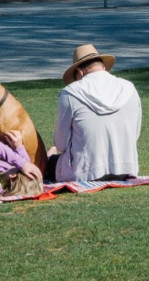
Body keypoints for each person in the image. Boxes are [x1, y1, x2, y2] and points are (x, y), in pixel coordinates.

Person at [47, 44, 142, 182]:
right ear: (103, 67)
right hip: (126, 169)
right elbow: (135, 134)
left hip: (84, 173)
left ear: (79, 72)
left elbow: (61, 144)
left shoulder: (71, 93)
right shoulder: (129, 88)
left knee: (48, 162)